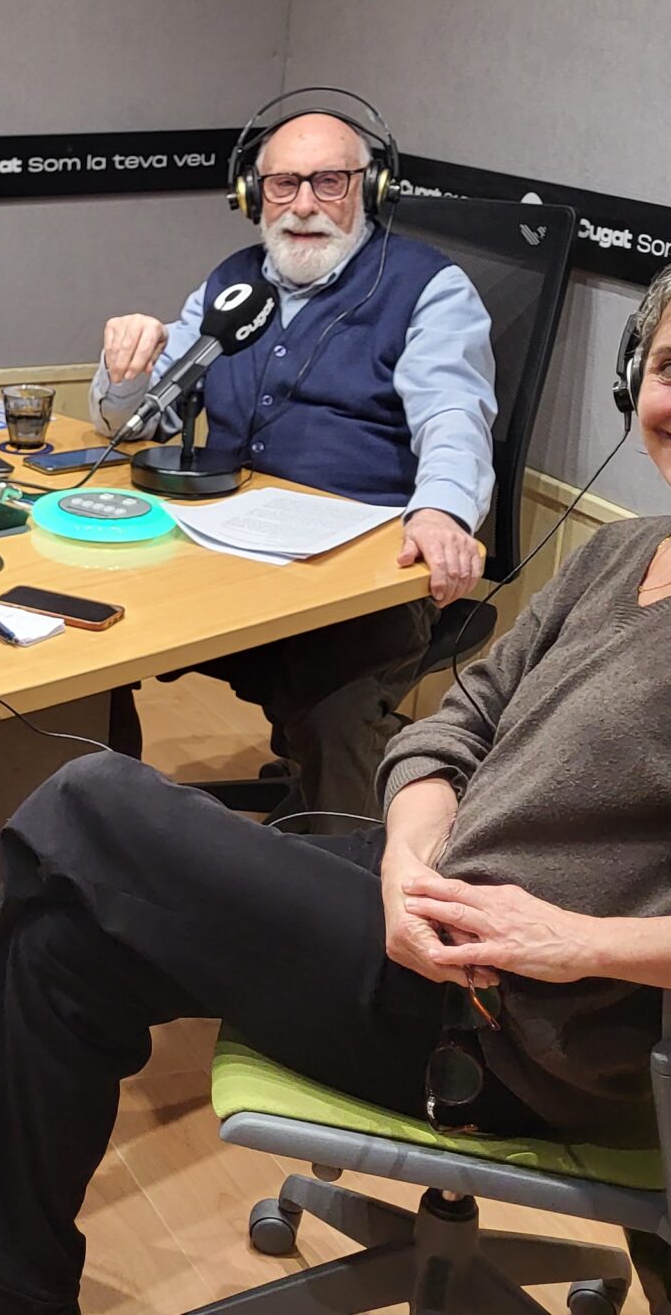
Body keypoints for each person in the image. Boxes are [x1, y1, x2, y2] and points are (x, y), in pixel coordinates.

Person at [0, 229, 671, 1315]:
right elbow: (448, 731)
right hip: (424, 914)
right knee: (63, 945)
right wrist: (404, 859)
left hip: (508, 1025)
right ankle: (5, 1292)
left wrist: (575, 942)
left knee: (90, 798)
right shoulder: (627, 550)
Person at [94, 107, 496, 819]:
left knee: (333, 714)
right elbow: (139, 418)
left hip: (356, 586)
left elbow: (453, 415)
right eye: (283, 184)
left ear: (371, 190)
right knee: (93, 651)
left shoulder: (428, 288)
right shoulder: (231, 284)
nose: (304, 204)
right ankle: (109, 834)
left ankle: (340, 892)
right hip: (226, 562)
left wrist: (441, 510)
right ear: (253, 197)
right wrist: (126, 366)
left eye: (330, 182)